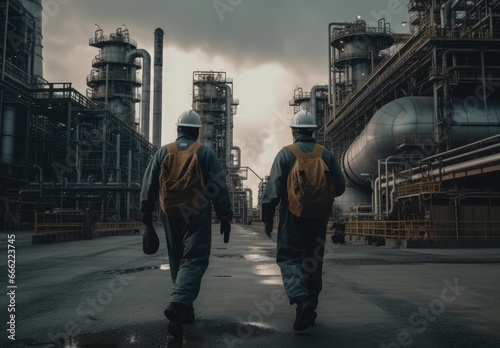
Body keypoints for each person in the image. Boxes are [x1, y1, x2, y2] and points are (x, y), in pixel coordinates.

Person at [140, 110, 233, 338]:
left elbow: (150, 184)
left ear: (178, 129)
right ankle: (179, 303)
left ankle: (185, 309)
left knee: (177, 259)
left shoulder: (164, 152)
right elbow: (217, 187)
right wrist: (225, 216)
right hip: (196, 212)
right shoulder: (204, 153)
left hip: (169, 212)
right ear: (197, 131)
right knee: (194, 258)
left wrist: (146, 214)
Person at [261, 110, 345, 331]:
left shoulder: (286, 154)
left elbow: (273, 189)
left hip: (292, 215)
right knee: (313, 262)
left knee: (289, 259)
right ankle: (310, 308)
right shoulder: (325, 154)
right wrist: (319, 198)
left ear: (294, 131)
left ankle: (301, 299)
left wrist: (267, 217)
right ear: (313, 131)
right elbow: (341, 186)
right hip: (319, 218)